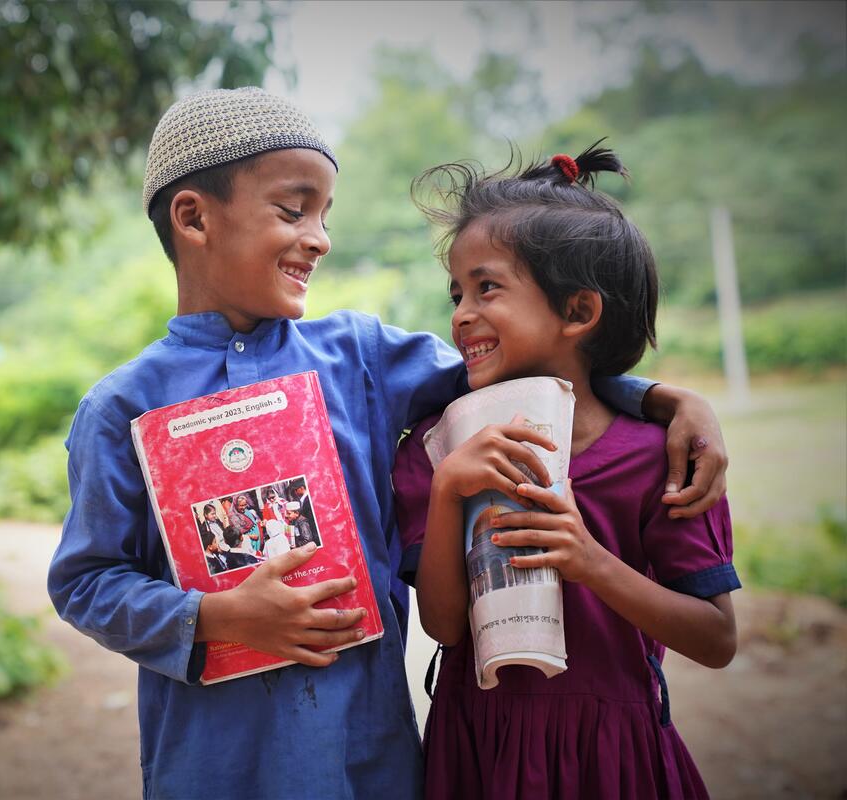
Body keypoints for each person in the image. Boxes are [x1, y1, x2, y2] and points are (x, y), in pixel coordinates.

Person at [47, 87, 727, 800]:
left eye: (324, 214)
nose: (320, 237)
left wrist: (665, 399)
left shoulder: (361, 356)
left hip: (367, 760)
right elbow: (87, 582)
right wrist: (215, 618)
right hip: (217, 767)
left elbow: (522, 366)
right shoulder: (120, 408)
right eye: (293, 209)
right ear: (193, 218)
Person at [393, 143, 740, 799]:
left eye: (487, 286)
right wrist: (446, 491)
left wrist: (591, 562)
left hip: (610, 761)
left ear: (578, 312)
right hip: (479, 750)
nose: (462, 313)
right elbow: (442, 627)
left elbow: (717, 639)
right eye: (457, 291)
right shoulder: (437, 453)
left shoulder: (659, 457)